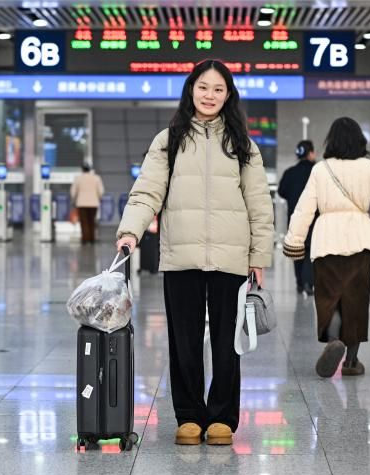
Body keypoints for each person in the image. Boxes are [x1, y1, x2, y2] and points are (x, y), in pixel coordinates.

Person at [116, 59, 274, 447]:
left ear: (228, 95)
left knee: (227, 343)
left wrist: (259, 256)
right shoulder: (169, 140)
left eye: (218, 89)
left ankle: (221, 417)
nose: (209, 95)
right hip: (181, 256)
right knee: (183, 341)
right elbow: (147, 191)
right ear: (191, 90)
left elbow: (259, 204)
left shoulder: (243, 145)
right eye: (203, 87)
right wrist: (130, 231)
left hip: (231, 258)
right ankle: (188, 415)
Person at [283, 117, 370, 379]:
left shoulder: (320, 170)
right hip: (360, 240)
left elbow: (304, 209)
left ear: (330, 141)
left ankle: (334, 340)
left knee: (329, 297)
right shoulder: (368, 168)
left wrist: (294, 241)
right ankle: (351, 362)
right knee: (356, 300)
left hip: (327, 241)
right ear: (360, 141)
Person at [278, 139, 316, 295]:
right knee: (310, 250)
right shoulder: (316, 171)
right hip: (313, 218)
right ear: (311, 153)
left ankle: (299, 283)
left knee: (297, 249)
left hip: (295, 218)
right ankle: (308, 283)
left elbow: (281, 191)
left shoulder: (289, 173)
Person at [71, 162, 104, 245]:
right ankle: (92, 239)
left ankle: (85, 239)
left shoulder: (78, 178)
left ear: (82, 169)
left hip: (81, 204)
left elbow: (73, 191)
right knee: (92, 221)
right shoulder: (96, 178)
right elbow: (101, 191)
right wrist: (99, 198)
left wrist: (74, 200)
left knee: (84, 222)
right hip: (93, 204)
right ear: (90, 169)